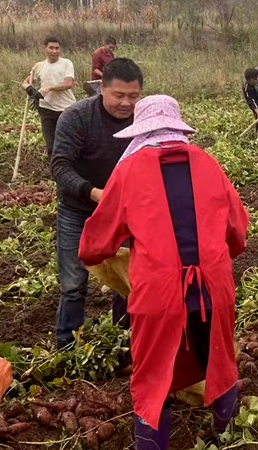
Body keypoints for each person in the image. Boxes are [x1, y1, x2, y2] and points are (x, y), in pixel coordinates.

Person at [79, 95, 249, 449]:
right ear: (177, 129)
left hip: (158, 291)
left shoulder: (129, 171)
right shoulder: (207, 163)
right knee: (219, 356)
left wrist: (102, 255)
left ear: (142, 133)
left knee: (152, 372)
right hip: (213, 288)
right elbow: (237, 232)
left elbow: (98, 242)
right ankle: (228, 436)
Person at [50, 58, 143, 349]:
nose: (126, 103)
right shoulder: (77, 117)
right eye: (118, 95)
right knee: (74, 283)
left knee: (128, 279)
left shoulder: (143, 120)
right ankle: (67, 345)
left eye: (133, 96)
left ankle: (123, 339)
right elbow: (60, 166)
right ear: (100, 88)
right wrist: (94, 193)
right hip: (78, 210)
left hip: (124, 211)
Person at [21, 36, 76, 158]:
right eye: (51, 48)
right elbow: (25, 82)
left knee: (67, 142)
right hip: (46, 109)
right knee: (51, 146)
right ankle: (54, 169)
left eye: (57, 48)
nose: (54, 51)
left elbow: (68, 84)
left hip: (66, 109)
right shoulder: (39, 66)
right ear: (45, 48)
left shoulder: (66, 63)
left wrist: (49, 88)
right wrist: (29, 89)